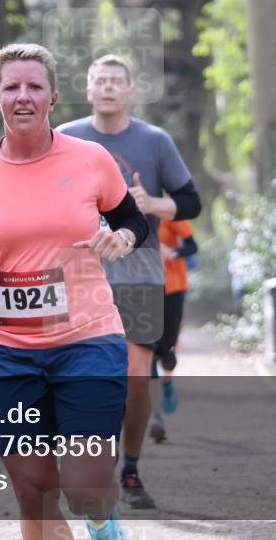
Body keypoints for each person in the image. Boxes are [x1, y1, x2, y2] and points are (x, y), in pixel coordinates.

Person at [0, 43, 148, 540]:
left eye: (34, 87)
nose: (22, 96)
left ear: (52, 98)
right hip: (7, 354)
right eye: (12, 87)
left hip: (88, 341)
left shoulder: (92, 159)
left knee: (87, 485)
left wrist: (122, 237)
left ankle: (102, 522)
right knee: (34, 490)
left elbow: (131, 219)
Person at [57, 54, 201, 510]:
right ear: (88, 88)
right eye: (100, 80)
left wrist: (150, 204)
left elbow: (190, 201)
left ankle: (131, 470)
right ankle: (88, 464)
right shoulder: (65, 138)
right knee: (82, 377)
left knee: (136, 376)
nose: (108, 87)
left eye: (116, 81)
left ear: (130, 90)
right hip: (77, 273)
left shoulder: (154, 141)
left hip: (139, 271)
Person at [148, 219, 198, 444]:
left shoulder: (170, 214)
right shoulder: (128, 212)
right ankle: (156, 416)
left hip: (174, 287)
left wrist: (172, 252)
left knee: (168, 353)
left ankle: (167, 381)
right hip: (144, 289)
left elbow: (192, 246)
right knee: (147, 353)